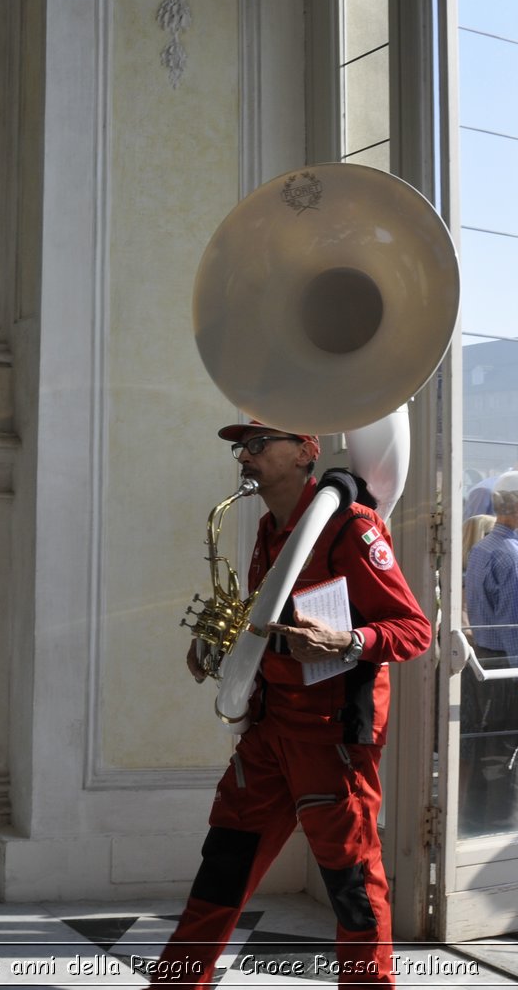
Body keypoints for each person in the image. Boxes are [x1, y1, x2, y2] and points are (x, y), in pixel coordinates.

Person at [151, 420, 430, 988]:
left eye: (257, 445)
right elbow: (264, 623)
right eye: (240, 447)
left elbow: (414, 630)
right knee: (223, 865)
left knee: (352, 886)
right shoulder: (268, 529)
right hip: (271, 728)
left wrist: (349, 642)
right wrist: (217, 648)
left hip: (330, 740)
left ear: (307, 451)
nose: (244, 457)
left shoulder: (350, 526)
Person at [462, 471, 518, 834]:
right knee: (514, 779)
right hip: (511, 681)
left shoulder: (485, 547)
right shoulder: (515, 559)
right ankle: (502, 858)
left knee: (492, 772)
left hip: (492, 669)